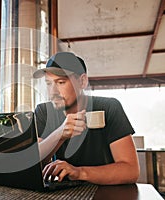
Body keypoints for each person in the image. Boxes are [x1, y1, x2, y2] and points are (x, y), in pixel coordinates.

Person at [33, 52, 140, 185]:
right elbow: (33, 165)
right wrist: (60, 134)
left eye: (61, 82)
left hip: (108, 190)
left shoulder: (109, 107)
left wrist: (79, 172)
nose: (53, 92)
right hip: (64, 193)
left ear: (82, 81)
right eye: (49, 84)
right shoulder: (44, 111)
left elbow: (130, 170)